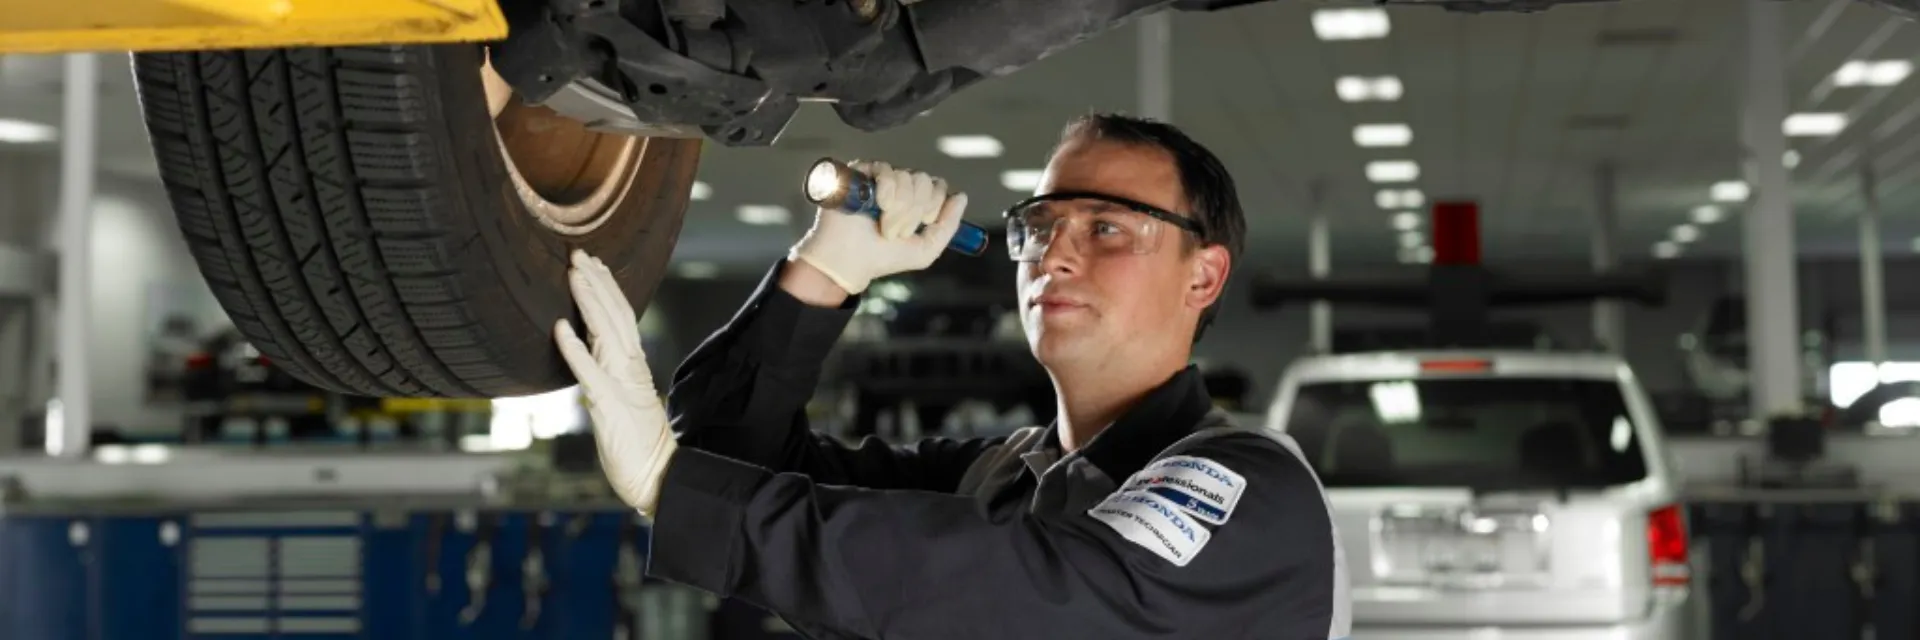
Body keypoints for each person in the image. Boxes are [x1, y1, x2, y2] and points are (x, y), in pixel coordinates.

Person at [554, 113, 1350, 639]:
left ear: (1204, 278)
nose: (1056, 255)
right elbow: (732, 465)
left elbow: (1029, 593)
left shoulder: (1248, 489)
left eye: (1107, 227)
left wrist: (672, 482)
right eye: (1040, 226)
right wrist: (823, 273)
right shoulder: (998, 478)